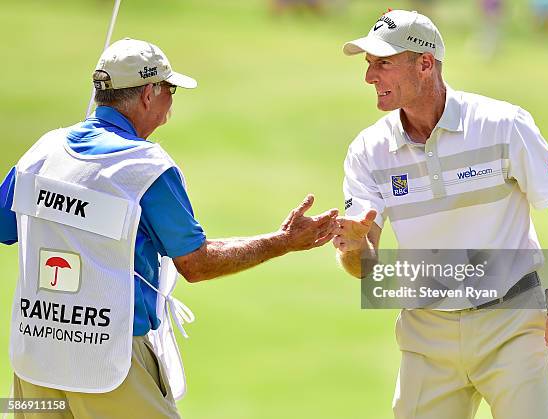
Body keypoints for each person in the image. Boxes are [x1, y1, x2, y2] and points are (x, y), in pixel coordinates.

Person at [0, 38, 337, 418]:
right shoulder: (146, 165)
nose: (171, 103)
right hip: (108, 360)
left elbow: (5, 227)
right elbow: (197, 263)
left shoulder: (45, 148)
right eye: (169, 90)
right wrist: (283, 242)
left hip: (34, 354)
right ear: (149, 94)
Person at [333, 10, 548, 419]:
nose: (369, 77)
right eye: (368, 64)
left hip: (514, 323)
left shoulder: (503, 124)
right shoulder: (368, 151)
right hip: (425, 333)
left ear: (424, 63)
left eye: (382, 63)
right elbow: (364, 265)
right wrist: (352, 248)